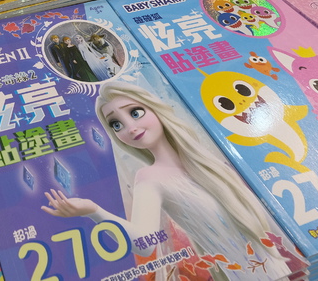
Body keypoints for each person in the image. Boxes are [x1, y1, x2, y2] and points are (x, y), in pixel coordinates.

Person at [42, 82, 293, 281]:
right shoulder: (149, 178)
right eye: (116, 124)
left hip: (282, 265)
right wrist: (94, 211)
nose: (130, 127)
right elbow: (143, 243)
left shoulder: (209, 156)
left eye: (135, 112)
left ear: (155, 108)